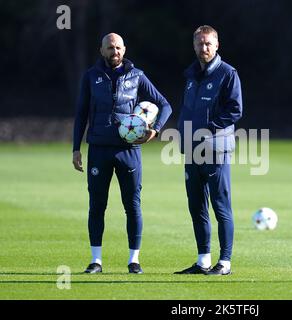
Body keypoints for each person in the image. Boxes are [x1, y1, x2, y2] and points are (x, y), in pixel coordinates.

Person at [72, 33, 172, 274]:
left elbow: (165, 105)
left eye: (117, 48)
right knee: (97, 206)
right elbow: (81, 113)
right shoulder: (91, 76)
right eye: (109, 48)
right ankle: (96, 261)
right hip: (98, 149)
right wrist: (76, 148)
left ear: (124, 50)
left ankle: (134, 260)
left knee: (132, 205)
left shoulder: (137, 76)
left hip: (129, 150)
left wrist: (155, 131)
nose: (114, 51)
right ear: (101, 50)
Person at [174, 25, 243, 275]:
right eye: (200, 44)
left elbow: (235, 110)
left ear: (216, 45)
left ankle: (224, 263)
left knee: (220, 205)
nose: (204, 48)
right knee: (196, 206)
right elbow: (187, 110)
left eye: (208, 44)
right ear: (194, 46)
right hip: (192, 150)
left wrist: (209, 128)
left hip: (216, 150)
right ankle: (203, 261)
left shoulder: (227, 74)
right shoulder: (191, 75)